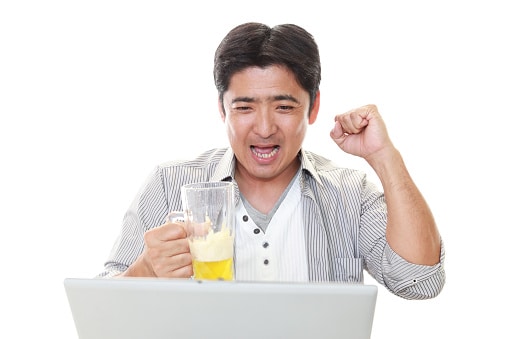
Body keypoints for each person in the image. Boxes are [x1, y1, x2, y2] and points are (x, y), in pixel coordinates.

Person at [97, 22, 445, 300]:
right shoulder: (168, 184)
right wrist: (145, 270)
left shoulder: (350, 193)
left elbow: (420, 280)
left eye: (283, 107)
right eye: (245, 107)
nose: (264, 129)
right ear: (222, 108)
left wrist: (385, 157)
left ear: (314, 107)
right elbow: (100, 313)